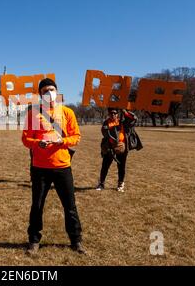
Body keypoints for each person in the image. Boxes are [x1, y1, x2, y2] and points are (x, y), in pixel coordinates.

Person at [22, 78, 85, 256]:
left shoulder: (67, 112)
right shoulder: (34, 113)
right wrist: (37, 143)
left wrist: (62, 141)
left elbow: (76, 137)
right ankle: (34, 241)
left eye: (52, 89)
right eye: (45, 91)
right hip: (40, 167)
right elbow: (26, 138)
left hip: (62, 166)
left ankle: (76, 240)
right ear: (40, 94)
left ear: (57, 91)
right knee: (37, 205)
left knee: (70, 205)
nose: (49, 93)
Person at [96, 108, 138, 192]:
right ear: (108, 114)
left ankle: (120, 184)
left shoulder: (123, 122)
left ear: (117, 114)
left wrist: (125, 112)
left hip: (122, 148)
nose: (113, 115)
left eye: (115, 113)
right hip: (110, 148)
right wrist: (114, 143)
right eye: (111, 113)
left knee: (121, 167)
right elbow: (105, 132)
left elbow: (134, 119)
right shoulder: (106, 123)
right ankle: (101, 183)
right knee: (105, 166)